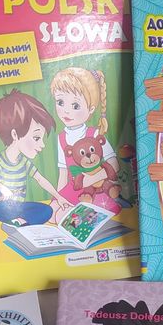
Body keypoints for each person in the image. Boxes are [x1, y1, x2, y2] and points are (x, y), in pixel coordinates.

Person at [0, 90, 71, 261]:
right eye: (37, 138)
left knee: (46, 210)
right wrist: (2, 187)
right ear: (15, 134)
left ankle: (17, 224)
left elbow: (40, 179)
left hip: (15, 208)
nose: (42, 145)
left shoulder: (24, 162)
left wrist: (59, 197)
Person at [51, 67, 121, 215]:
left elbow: (114, 165)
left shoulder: (94, 134)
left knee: (65, 215)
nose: (66, 111)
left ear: (91, 109)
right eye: (60, 102)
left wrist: (92, 179)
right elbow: (63, 173)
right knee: (52, 212)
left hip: (94, 189)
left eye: (75, 106)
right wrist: (58, 197)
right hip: (73, 188)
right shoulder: (61, 138)